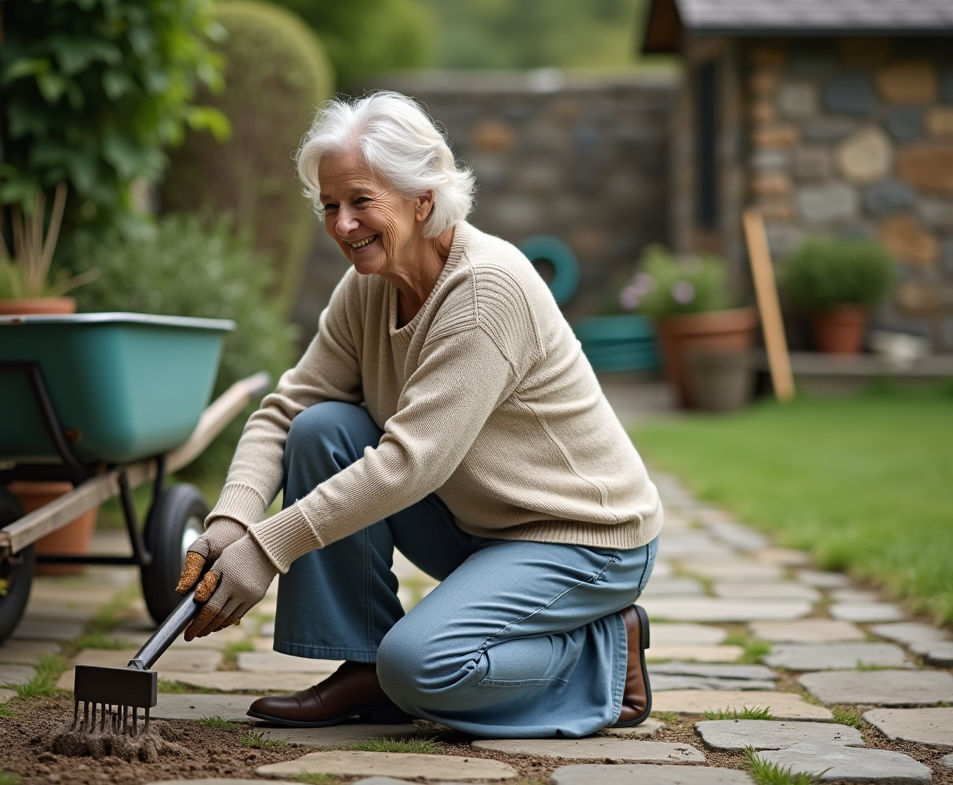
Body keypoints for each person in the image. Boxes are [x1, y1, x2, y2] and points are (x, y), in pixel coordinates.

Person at [175, 91, 663, 738]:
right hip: (478, 518)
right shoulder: (367, 287)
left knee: (423, 669)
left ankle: (606, 653)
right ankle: (362, 664)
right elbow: (286, 409)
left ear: (423, 199)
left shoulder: (486, 289)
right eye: (329, 205)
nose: (342, 224)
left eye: (360, 201)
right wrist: (233, 519)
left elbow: (411, 463)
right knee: (323, 429)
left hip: (581, 536)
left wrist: (270, 546)